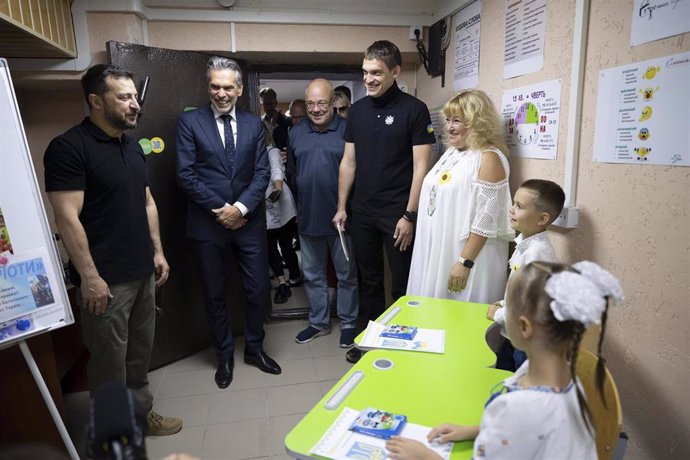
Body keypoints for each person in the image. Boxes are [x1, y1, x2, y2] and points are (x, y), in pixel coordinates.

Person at [44, 64, 181, 436]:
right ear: (95, 101)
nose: (135, 104)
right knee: (108, 362)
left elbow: (147, 202)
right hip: (105, 281)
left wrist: (158, 252)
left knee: (139, 355)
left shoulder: (132, 148)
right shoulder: (69, 148)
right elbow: (66, 218)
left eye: (135, 96)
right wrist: (89, 277)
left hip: (141, 272)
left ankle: (140, 415)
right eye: (124, 97)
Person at [385, 260, 623, 460]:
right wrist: (477, 431)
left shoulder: (519, 410)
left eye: (507, 306)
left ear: (523, 327)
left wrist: (426, 456)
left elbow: (524, 424)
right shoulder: (560, 373)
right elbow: (528, 434)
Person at [176, 57, 281, 390]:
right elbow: (185, 173)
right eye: (215, 86)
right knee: (215, 292)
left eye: (227, 87)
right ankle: (224, 356)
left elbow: (263, 172)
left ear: (239, 89)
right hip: (208, 225)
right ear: (209, 87)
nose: (221, 93)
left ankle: (254, 348)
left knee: (257, 289)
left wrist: (240, 208)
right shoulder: (190, 122)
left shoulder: (253, 124)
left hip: (248, 223)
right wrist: (222, 209)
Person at [333, 40, 435, 363]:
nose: (368, 79)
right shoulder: (358, 111)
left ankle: (402, 344)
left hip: (397, 214)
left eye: (376, 72)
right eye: (365, 72)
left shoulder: (414, 110)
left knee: (402, 284)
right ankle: (369, 340)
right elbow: (348, 162)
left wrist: (409, 214)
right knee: (370, 280)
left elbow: (422, 168)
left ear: (395, 71)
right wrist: (341, 206)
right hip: (362, 211)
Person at [407, 89, 514, 303]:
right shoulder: (453, 152)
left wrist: (465, 262)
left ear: (478, 122)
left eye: (457, 121)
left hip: (468, 258)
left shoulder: (489, 158)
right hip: (438, 250)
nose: (449, 127)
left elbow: (486, 220)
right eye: (448, 120)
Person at [289, 79, 359, 347]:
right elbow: (293, 175)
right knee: (313, 275)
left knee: (347, 276)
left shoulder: (348, 131)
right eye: (310, 104)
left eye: (321, 103)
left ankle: (349, 323)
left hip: (343, 221)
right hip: (308, 220)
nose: (316, 109)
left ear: (332, 102)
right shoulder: (296, 133)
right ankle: (318, 322)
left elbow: (356, 172)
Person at [487, 179, 566, 371]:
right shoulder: (524, 243)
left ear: (542, 219)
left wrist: (498, 314)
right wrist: (505, 304)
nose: (511, 210)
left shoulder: (537, 253)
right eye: (514, 203)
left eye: (519, 206)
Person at [263, 124, 300, 304]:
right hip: (264, 205)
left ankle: (294, 276)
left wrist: (277, 188)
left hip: (281, 203)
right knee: (270, 246)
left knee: (286, 245)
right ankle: (282, 282)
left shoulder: (272, 151)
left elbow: (277, 170)